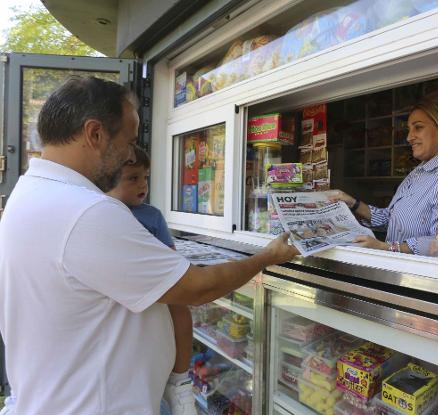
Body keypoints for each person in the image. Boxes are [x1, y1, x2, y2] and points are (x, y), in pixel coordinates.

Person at [0, 76, 297, 415]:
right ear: (95, 134)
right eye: (128, 140)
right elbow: (198, 288)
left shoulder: (28, 195)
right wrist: (267, 256)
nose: (130, 153)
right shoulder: (86, 211)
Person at [107, 146, 196, 415]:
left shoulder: (152, 215)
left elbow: (171, 259)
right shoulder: (102, 213)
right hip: (120, 294)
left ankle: (180, 382)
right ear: (108, 179)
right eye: (133, 178)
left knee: (181, 308)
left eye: (145, 177)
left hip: (156, 287)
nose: (142, 185)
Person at [330, 90, 438, 254]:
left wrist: (385, 247)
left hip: (420, 277)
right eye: (409, 129)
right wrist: (352, 203)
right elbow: (390, 219)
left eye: (418, 127)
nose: (409, 137)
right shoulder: (418, 172)